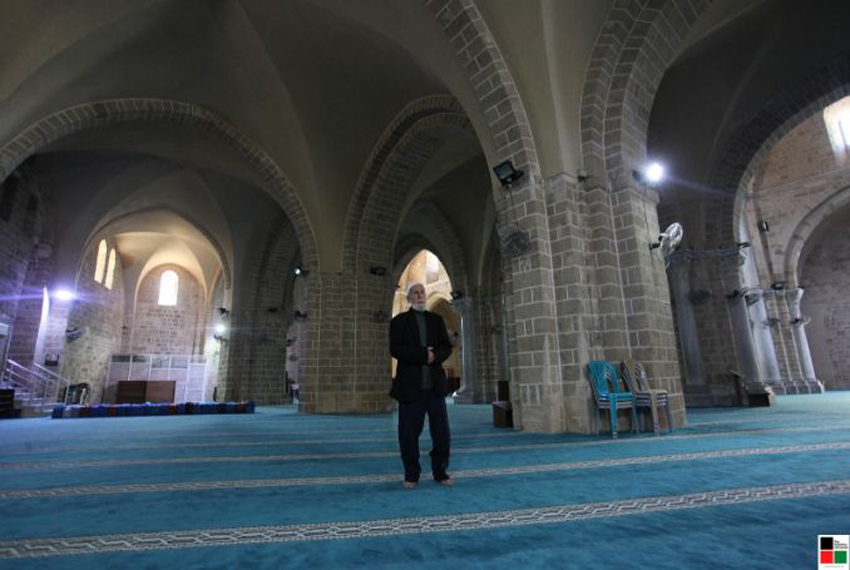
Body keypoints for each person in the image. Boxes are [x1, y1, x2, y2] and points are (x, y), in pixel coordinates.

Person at [389, 282, 454, 489]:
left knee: (442, 433)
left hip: (435, 387)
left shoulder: (436, 320)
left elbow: (446, 346)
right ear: (409, 298)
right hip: (410, 388)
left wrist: (435, 356)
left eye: (422, 292)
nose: (420, 296)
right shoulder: (399, 321)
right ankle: (411, 474)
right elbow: (395, 349)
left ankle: (440, 471)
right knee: (408, 434)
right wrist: (422, 354)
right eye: (415, 293)